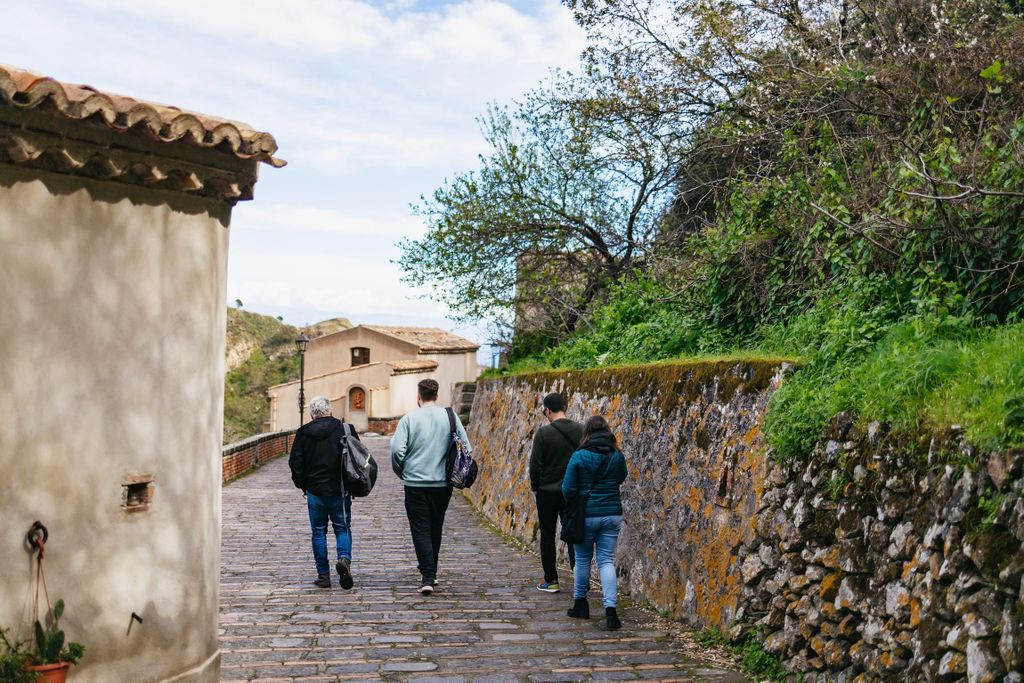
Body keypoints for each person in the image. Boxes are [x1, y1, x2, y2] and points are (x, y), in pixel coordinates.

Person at [390, 378, 471, 595]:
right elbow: (467, 449)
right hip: (443, 483)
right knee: (436, 526)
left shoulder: (409, 419)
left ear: (418, 396)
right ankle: (431, 572)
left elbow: (397, 450)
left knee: (420, 528)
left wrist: (402, 471)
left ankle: (427, 576)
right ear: (436, 395)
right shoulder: (450, 416)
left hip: (415, 483)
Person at [562, 415, 628, 629]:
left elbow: (567, 488)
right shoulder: (617, 456)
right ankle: (610, 612)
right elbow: (621, 477)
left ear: (587, 433)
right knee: (606, 560)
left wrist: (577, 498)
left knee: (582, 560)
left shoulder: (579, 456)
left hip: (586, 515)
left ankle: (580, 604)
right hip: (611, 513)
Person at [288, 396, 358, 590]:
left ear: (312, 414)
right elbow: (358, 458)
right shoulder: (345, 429)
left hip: (315, 492)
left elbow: (295, 464)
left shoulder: (303, 433)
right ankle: (344, 559)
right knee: (342, 528)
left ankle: (324, 576)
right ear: (330, 410)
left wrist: (303, 485)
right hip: (340, 490)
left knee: (318, 532)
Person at [529, 392, 582, 593]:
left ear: (548, 410)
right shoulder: (581, 430)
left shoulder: (543, 434)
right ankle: (579, 575)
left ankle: (551, 579)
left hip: (547, 492)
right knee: (572, 534)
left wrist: (536, 487)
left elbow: (535, 466)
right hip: (572, 492)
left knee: (548, 536)